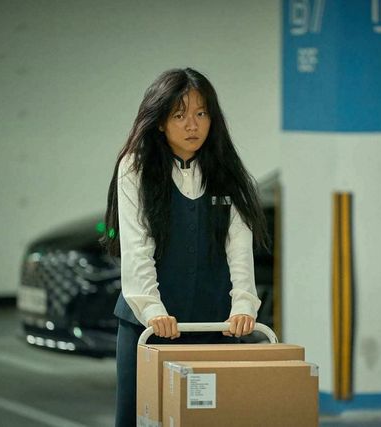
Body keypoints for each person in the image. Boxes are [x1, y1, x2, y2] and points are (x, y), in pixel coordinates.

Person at [100, 67, 268, 427]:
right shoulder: (135, 167)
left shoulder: (226, 169)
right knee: (138, 418)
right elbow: (137, 245)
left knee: (209, 420)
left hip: (213, 324)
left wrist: (243, 305)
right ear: (160, 121)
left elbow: (239, 246)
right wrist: (152, 311)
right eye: (180, 115)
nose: (193, 125)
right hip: (148, 327)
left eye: (201, 113)